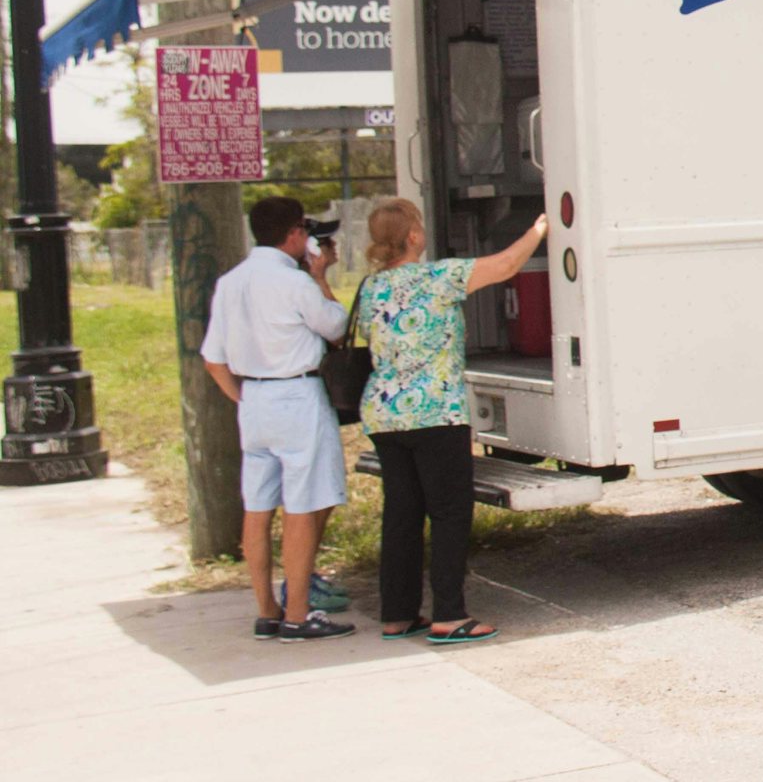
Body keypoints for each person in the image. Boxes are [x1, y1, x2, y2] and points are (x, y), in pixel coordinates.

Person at [357, 198, 547, 645]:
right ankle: (448, 615)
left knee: (401, 515)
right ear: (414, 236)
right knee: (447, 513)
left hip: (386, 415)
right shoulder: (438, 277)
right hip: (435, 413)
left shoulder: (371, 288)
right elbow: (504, 266)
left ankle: (398, 614)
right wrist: (539, 229)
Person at [201, 196, 356, 642]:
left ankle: (267, 609)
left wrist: (243, 400)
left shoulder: (231, 282)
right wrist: (321, 277)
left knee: (258, 507)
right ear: (293, 234)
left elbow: (213, 360)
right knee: (302, 507)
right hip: (297, 393)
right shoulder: (294, 283)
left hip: (253, 397)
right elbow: (338, 328)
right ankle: (299, 612)